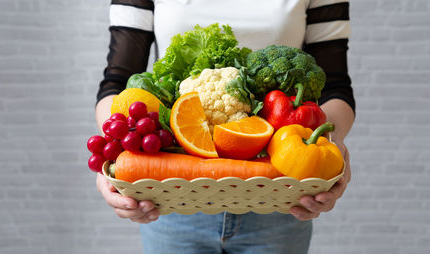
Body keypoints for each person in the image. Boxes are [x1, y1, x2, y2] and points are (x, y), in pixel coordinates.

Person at [95, 0, 355, 253]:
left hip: (279, 197)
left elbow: (335, 86)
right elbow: (117, 81)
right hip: (172, 197)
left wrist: (332, 145)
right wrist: (116, 149)